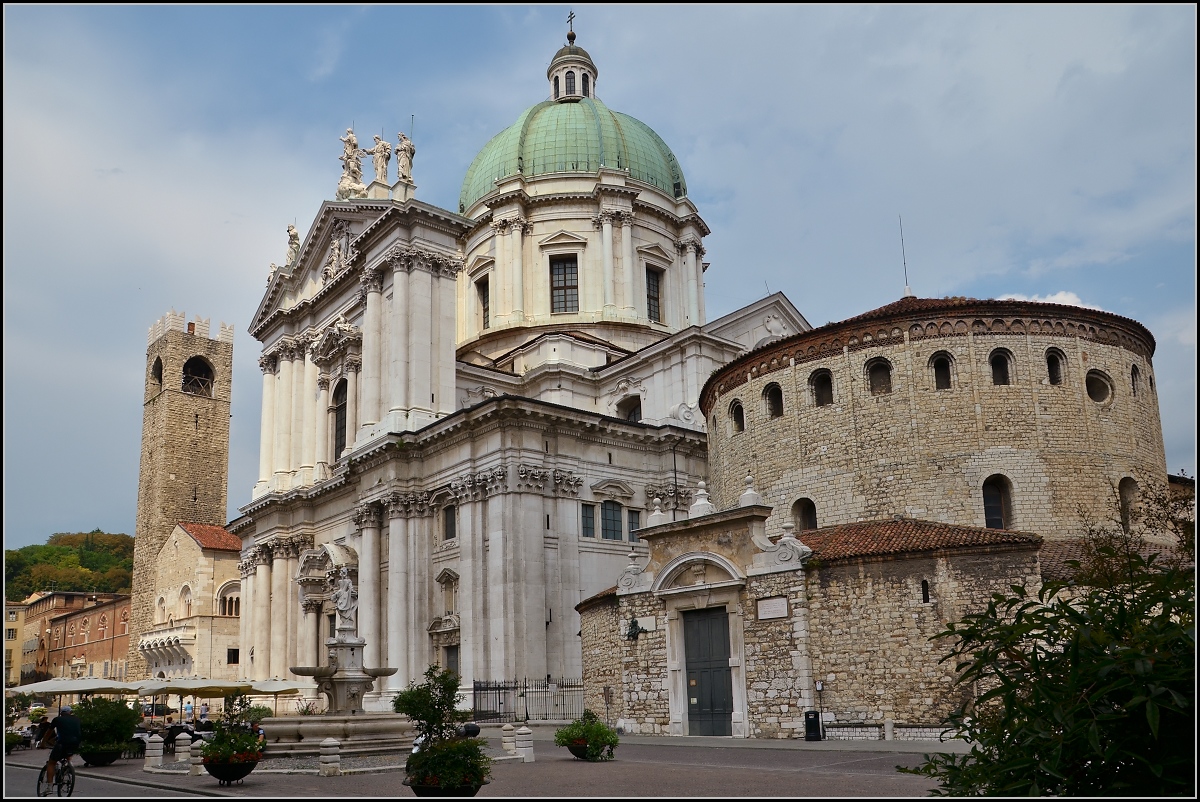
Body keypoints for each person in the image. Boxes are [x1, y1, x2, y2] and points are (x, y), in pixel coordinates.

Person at [41, 705, 81, 795]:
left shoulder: (57, 719)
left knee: (51, 763)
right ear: (70, 712)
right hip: (75, 744)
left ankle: (49, 787)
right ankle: (69, 765)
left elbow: (48, 732)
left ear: (61, 713)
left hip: (61, 744)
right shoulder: (77, 719)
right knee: (68, 752)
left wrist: (43, 743)